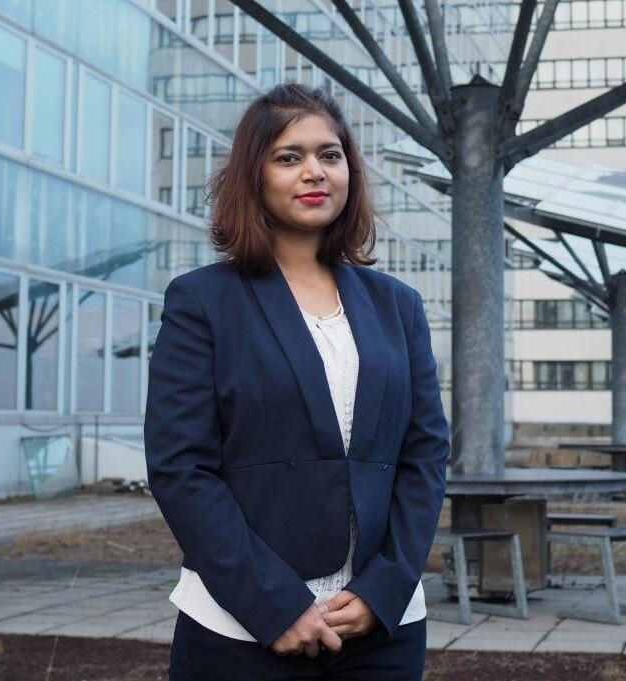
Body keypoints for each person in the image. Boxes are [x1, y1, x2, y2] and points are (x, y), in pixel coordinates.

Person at [144, 82, 450, 681]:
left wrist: (384, 588)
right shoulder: (203, 302)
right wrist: (275, 606)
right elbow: (182, 467)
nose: (314, 171)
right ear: (253, 175)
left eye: (329, 155)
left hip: (381, 629)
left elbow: (425, 455)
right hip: (239, 628)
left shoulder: (399, 306)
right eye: (289, 157)